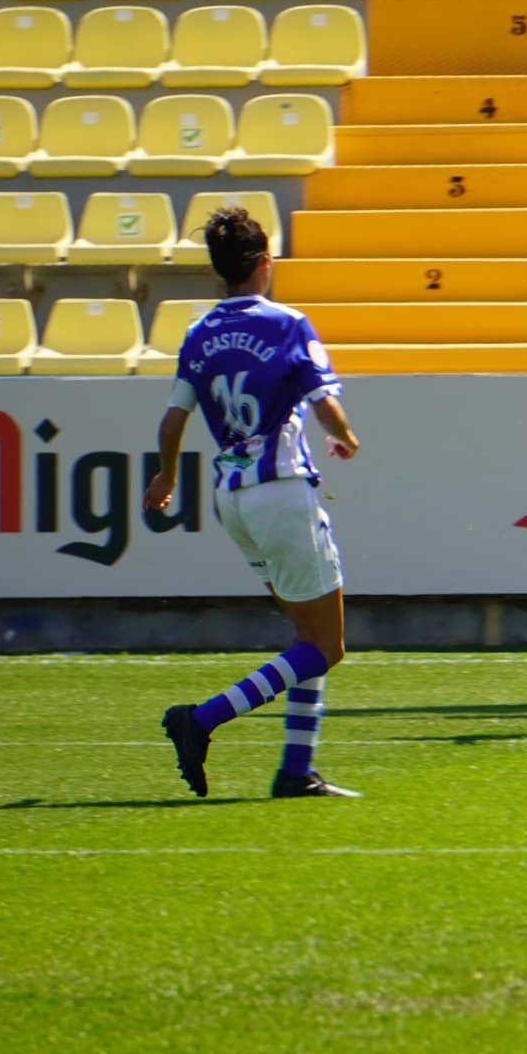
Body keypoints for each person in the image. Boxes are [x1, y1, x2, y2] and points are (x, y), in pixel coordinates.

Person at [145, 207, 361, 799]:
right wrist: (344, 435)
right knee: (327, 646)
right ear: (265, 264)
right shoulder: (288, 323)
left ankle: (297, 770)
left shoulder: (199, 334)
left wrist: (164, 478)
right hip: (282, 492)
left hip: (231, 499)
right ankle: (203, 718)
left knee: (305, 638)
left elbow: (171, 422)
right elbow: (323, 402)